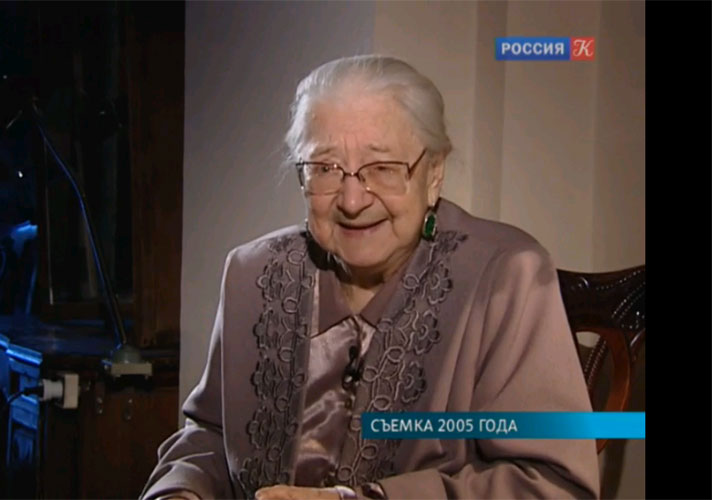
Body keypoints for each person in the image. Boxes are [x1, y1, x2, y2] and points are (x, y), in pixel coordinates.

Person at [140, 55, 600, 500]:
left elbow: (553, 486)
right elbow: (212, 434)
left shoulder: (507, 276)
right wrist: (182, 491)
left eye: (383, 168)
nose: (353, 200)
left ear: (434, 173)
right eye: (325, 169)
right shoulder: (252, 273)